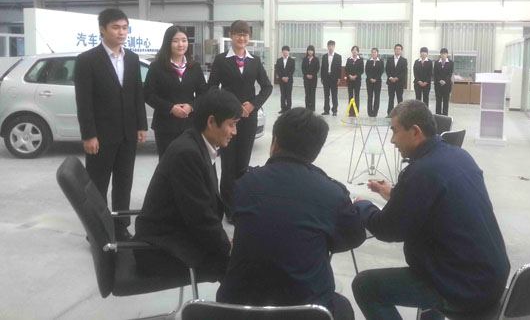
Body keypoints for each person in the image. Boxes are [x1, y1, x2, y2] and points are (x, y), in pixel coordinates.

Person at [352, 100, 510, 320]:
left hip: (462, 287)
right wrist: (394, 193)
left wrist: (361, 205)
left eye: (395, 131)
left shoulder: (420, 171)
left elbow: (387, 229)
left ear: (415, 132)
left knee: (365, 285)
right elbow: (433, 201)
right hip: (491, 277)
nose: (392, 140)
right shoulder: (459, 155)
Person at [217, 108, 366, 319]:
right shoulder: (332, 193)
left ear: (275, 142)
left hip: (235, 309)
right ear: (315, 152)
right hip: (306, 311)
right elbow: (354, 237)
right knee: (343, 307)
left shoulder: (244, 184)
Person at [134, 89, 241, 282]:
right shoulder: (187, 154)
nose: (235, 132)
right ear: (211, 122)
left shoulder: (197, 143)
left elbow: (203, 211)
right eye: (231, 124)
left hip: (179, 231)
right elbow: (200, 217)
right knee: (242, 266)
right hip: (160, 248)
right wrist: (227, 246)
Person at [74, 8, 147, 241]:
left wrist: (141, 125)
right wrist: (89, 135)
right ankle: (96, 230)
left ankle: (120, 227)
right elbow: (84, 102)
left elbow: (136, 94)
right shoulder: (87, 60)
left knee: (124, 183)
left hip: (127, 134)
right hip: (101, 136)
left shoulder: (132, 58)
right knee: (97, 185)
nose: (121, 32)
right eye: (116, 27)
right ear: (102, 30)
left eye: (125, 28)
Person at [208, 20, 273, 221]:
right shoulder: (221, 60)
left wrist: (253, 105)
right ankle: (228, 208)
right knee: (228, 165)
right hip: (227, 120)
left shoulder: (254, 61)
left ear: (249, 37)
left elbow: (267, 87)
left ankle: (240, 204)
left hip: (248, 119)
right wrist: (228, 105)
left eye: (245, 34)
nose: (241, 38)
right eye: (238, 34)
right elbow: (212, 88)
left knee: (243, 165)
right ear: (231, 35)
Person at [144, 25, 208, 158]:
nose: (180, 44)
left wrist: (191, 106)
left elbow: (203, 93)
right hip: (165, 126)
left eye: (184, 40)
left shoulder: (194, 67)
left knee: (189, 162)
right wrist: (171, 108)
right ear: (168, 43)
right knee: (168, 163)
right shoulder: (157, 67)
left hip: (190, 125)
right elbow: (148, 94)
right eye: (175, 41)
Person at [321, 40, 342, 116]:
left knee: (334, 95)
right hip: (326, 78)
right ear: (327, 47)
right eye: (329, 46)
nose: (330, 47)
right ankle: (326, 110)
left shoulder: (338, 57)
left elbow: (339, 68)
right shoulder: (324, 56)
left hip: (334, 78)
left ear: (334, 46)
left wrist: (339, 78)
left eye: (332, 46)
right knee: (326, 95)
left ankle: (334, 110)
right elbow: (322, 68)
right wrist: (322, 78)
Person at [386, 44, 408, 116]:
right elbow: (387, 69)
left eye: (399, 49)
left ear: (401, 51)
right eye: (396, 48)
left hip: (399, 83)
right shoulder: (389, 59)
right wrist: (390, 77)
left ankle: (400, 114)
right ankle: (390, 114)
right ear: (394, 50)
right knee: (391, 98)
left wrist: (397, 78)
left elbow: (404, 71)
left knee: (400, 99)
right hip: (391, 82)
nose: (397, 50)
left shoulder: (404, 60)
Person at [434, 48, 454, 116]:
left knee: (446, 101)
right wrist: (440, 80)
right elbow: (435, 73)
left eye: (445, 53)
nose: (443, 55)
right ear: (440, 54)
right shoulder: (436, 62)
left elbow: (450, 73)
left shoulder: (451, 63)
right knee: (438, 101)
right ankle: (438, 115)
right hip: (438, 84)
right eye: (442, 53)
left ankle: (445, 116)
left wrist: (445, 80)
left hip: (447, 84)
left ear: (447, 54)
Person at [345, 45, 364, 117]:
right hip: (350, 80)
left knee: (356, 96)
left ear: (358, 52)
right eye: (353, 50)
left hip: (357, 80)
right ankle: (351, 112)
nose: (354, 51)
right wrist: (349, 75)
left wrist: (355, 76)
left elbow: (361, 70)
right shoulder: (349, 59)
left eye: (356, 50)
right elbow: (346, 69)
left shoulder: (360, 60)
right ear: (351, 51)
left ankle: (356, 112)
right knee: (350, 96)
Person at [275, 45, 295, 114]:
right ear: (282, 52)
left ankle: (289, 108)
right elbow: (278, 70)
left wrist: (287, 77)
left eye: (286, 51)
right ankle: (283, 108)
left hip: (289, 80)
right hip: (281, 80)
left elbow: (292, 70)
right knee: (283, 94)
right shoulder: (279, 60)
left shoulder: (292, 60)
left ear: (289, 52)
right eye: (284, 51)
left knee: (288, 94)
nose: (285, 52)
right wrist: (282, 77)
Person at [365, 47, 384, 117]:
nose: (373, 53)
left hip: (377, 82)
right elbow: (366, 71)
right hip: (369, 82)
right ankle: (370, 112)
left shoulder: (381, 61)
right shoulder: (368, 61)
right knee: (370, 97)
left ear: (377, 53)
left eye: (375, 52)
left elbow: (381, 71)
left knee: (377, 97)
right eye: (372, 52)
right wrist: (370, 78)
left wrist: (376, 79)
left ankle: (375, 112)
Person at [302, 45, 320, 111]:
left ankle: (312, 108)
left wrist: (312, 75)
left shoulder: (316, 59)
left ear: (313, 51)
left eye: (311, 50)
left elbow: (317, 68)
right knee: (307, 93)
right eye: (309, 50)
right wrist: (306, 75)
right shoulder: (305, 59)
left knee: (312, 93)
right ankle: (307, 107)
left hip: (313, 79)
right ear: (307, 51)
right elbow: (303, 68)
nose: (310, 52)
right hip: (306, 79)